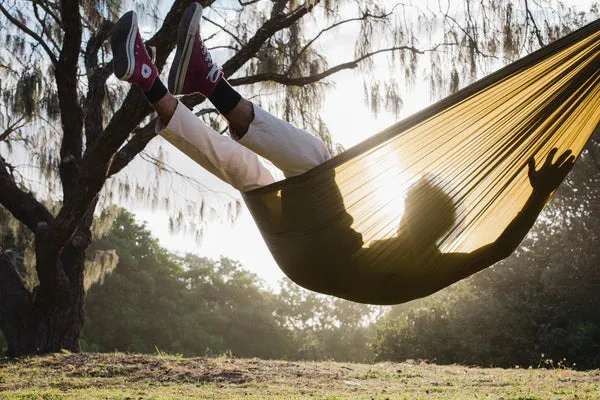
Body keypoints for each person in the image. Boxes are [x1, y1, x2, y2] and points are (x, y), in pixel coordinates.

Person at [111, 4, 575, 304]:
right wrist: (539, 193)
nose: (400, 216)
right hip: (309, 255)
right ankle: (151, 78)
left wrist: (539, 195)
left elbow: (500, 248)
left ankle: (202, 82)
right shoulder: (416, 254)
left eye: (409, 210)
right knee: (261, 173)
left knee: (312, 161)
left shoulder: (431, 265)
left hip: (321, 252)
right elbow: (499, 247)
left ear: (424, 223)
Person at [111, 3, 330, 193]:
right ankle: (149, 79)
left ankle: (207, 82)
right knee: (247, 169)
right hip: (292, 230)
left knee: (317, 162)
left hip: (333, 235)